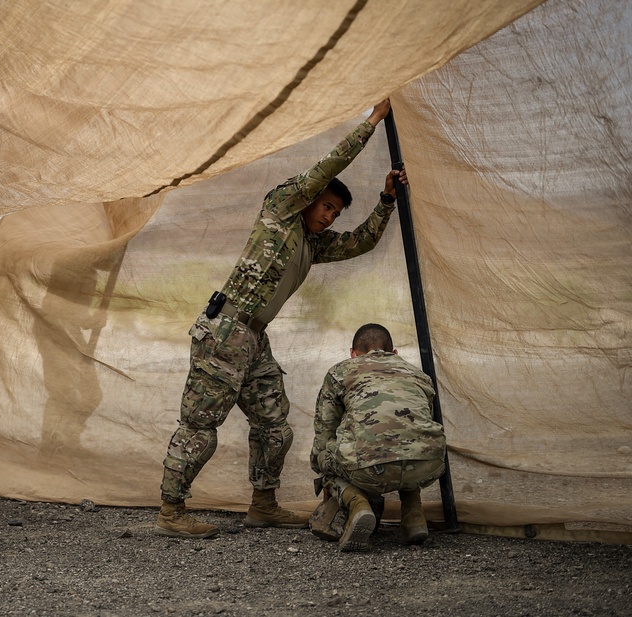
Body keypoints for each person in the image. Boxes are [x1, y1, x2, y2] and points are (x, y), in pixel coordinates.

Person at [156, 99, 404, 538]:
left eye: (335, 212)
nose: (329, 216)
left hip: (254, 339)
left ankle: (263, 505)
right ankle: (171, 512)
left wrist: (386, 198)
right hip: (225, 330)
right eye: (326, 206)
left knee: (275, 426)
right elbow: (327, 167)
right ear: (308, 200)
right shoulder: (282, 211)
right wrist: (372, 121)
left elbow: (362, 242)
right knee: (200, 427)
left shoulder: (313, 243)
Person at [310, 323, 446, 552]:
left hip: (367, 470)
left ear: (353, 354)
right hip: (430, 464)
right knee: (408, 442)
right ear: (394, 353)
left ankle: (358, 506)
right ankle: (413, 517)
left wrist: (323, 470)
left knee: (324, 455)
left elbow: (325, 430)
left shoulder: (340, 371)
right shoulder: (419, 374)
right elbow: (419, 426)